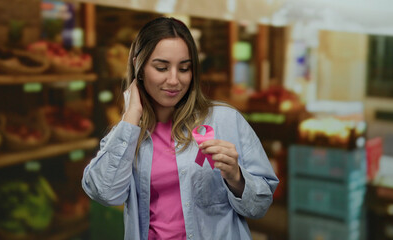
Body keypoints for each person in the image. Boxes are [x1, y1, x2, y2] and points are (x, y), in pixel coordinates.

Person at [82, 17, 279, 240]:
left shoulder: (226, 120)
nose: (174, 80)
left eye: (184, 68)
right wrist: (131, 114)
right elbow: (104, 193)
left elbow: (260, 206)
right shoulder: (127, 133)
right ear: (139, 66)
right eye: (161, 67)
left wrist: (237, 178)